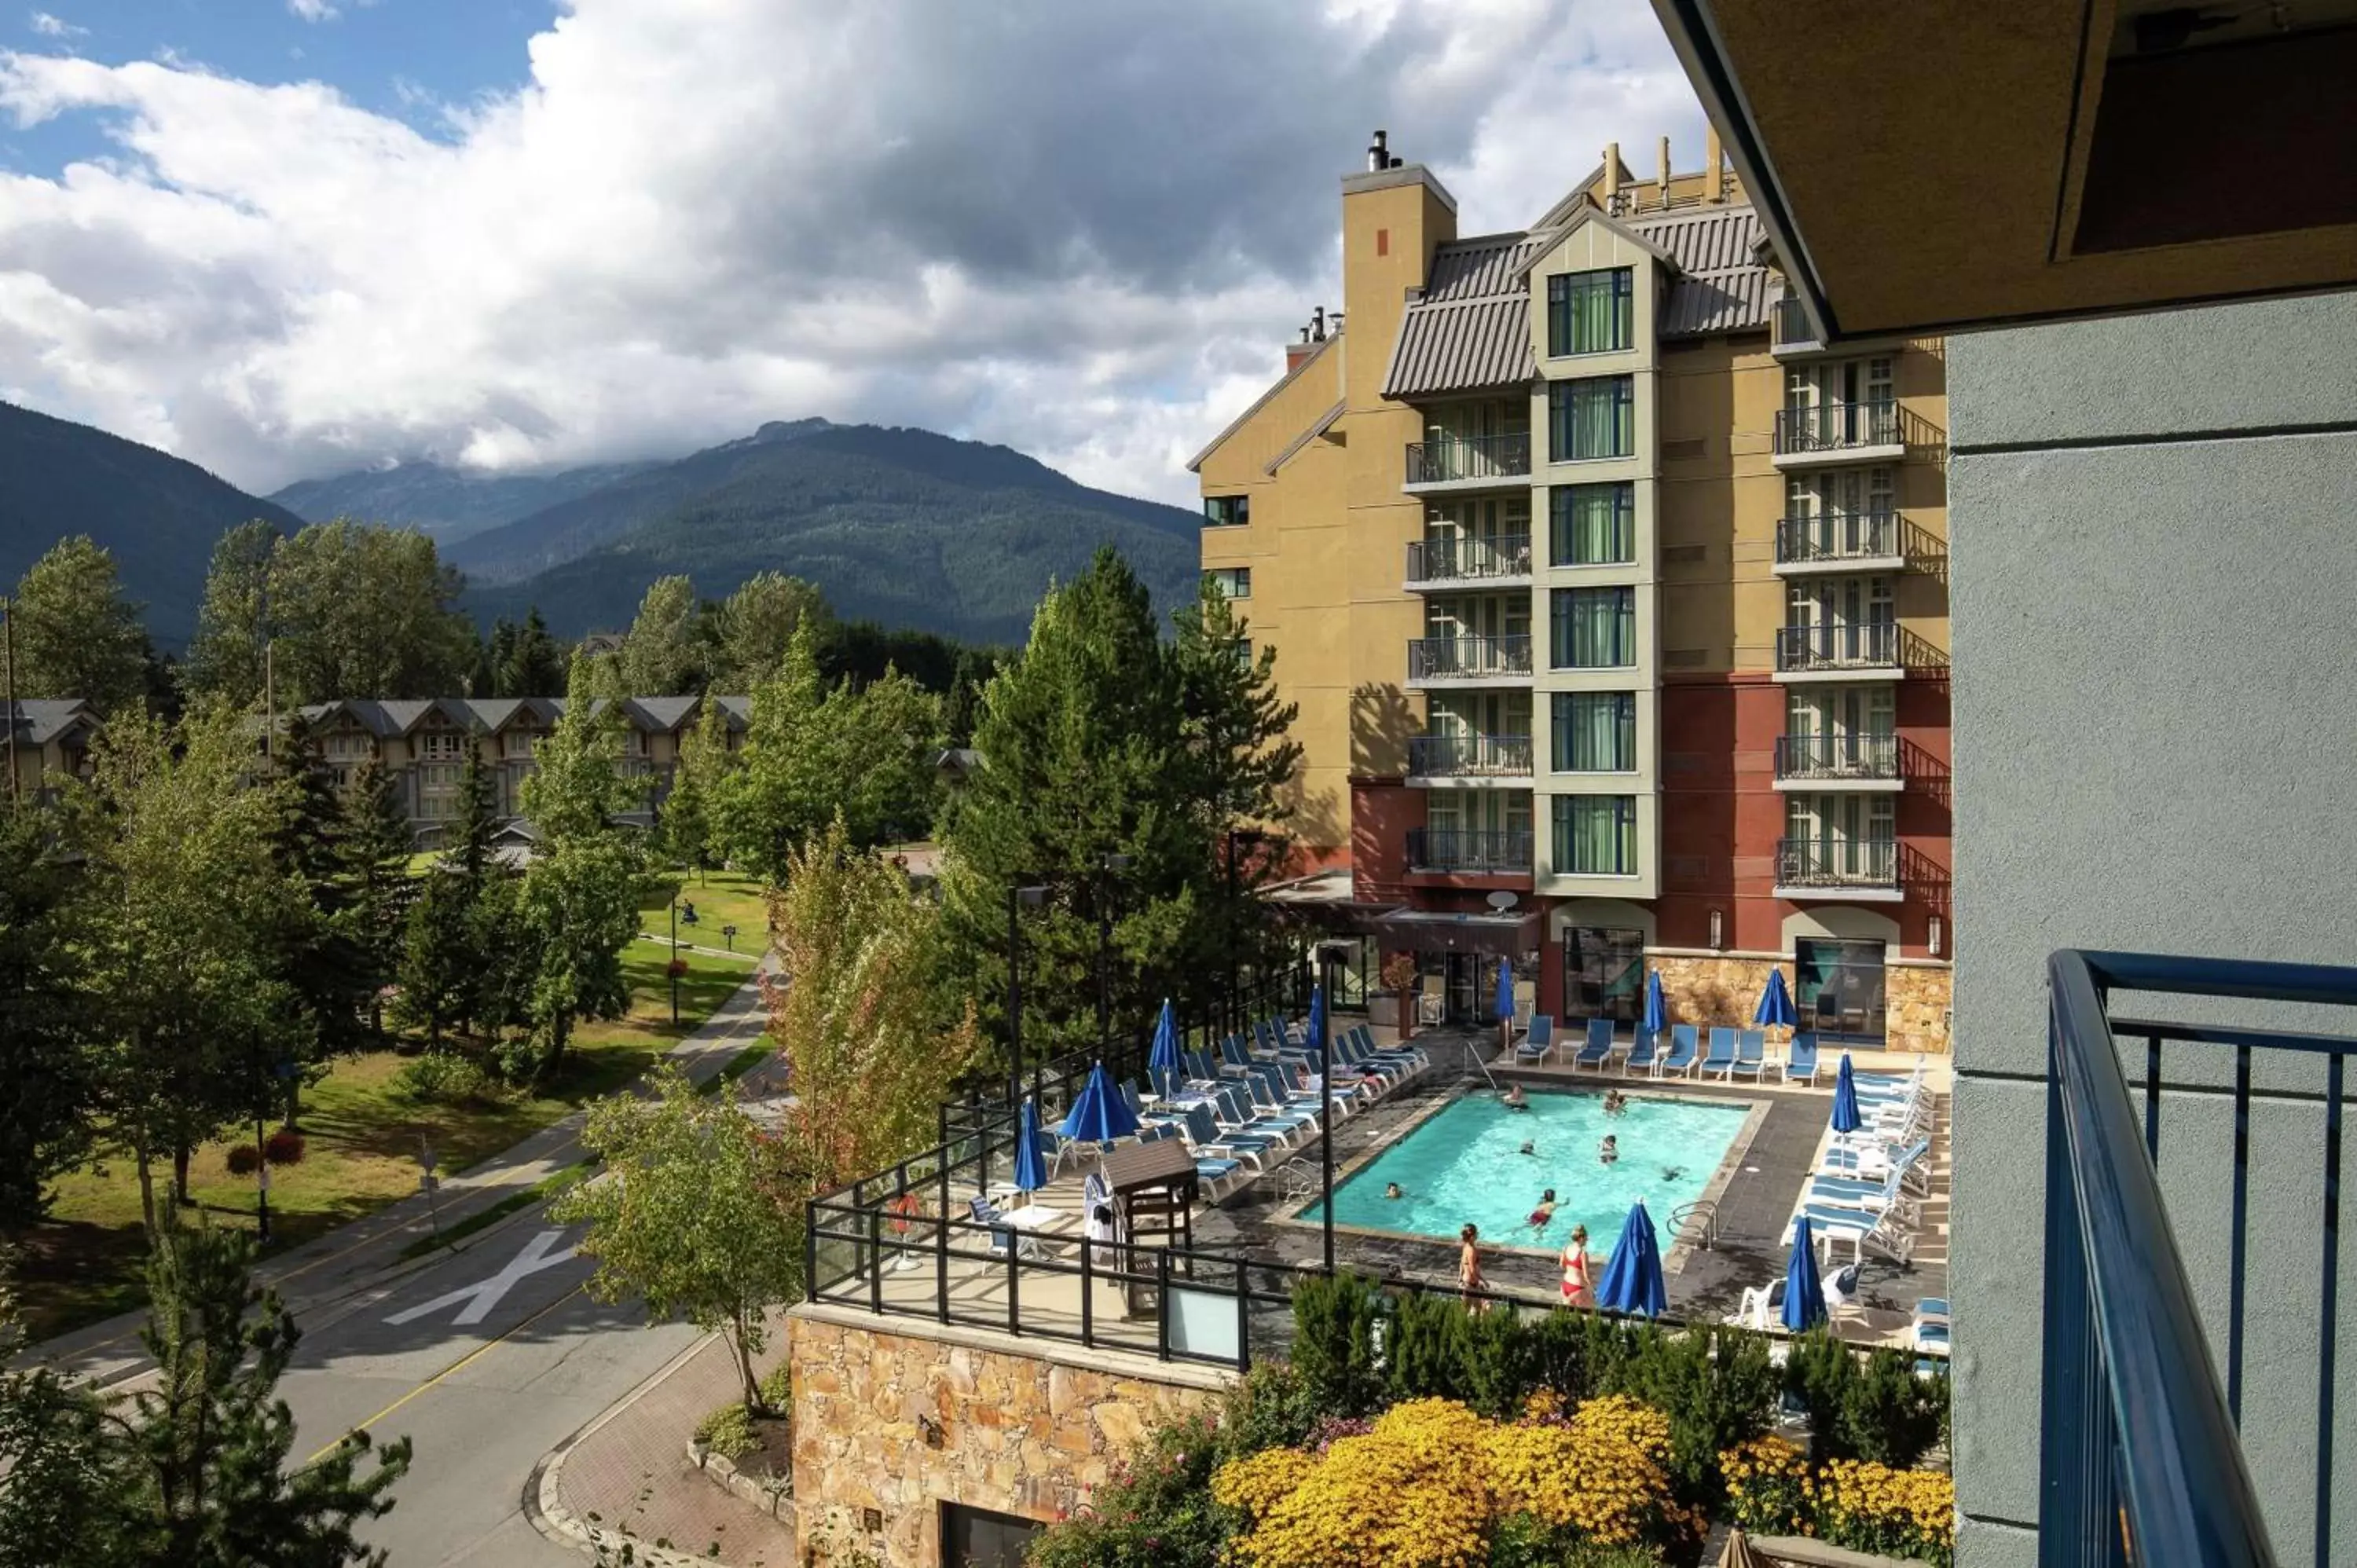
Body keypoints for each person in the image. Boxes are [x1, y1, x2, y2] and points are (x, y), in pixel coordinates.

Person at [1560, 1224, 1593, 1306]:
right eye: (1586, 1238)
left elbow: (1562, 1265)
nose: (1587, 1240)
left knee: (1568, 1314)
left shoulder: (1566, 1248)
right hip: (1577, 1288)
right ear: (1581, 1238)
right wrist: (1592, 1288)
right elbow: (1586, 1276)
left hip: (1565, 1285)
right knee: (1589, 1314)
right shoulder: (1583, 1254)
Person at [1458, 1223, 1487, 1309]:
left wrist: (1460, 1277)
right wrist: (1483, 1282)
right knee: (1477, 1310)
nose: (1478, 1234)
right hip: (1471, 1284)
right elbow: (1472, 1270)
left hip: (1464, 1283)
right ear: (1473, 1236)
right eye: (1477, 1233)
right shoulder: (1472, 1250)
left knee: (1465, 1311)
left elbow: (1462, 1263)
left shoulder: (1466, 1246)